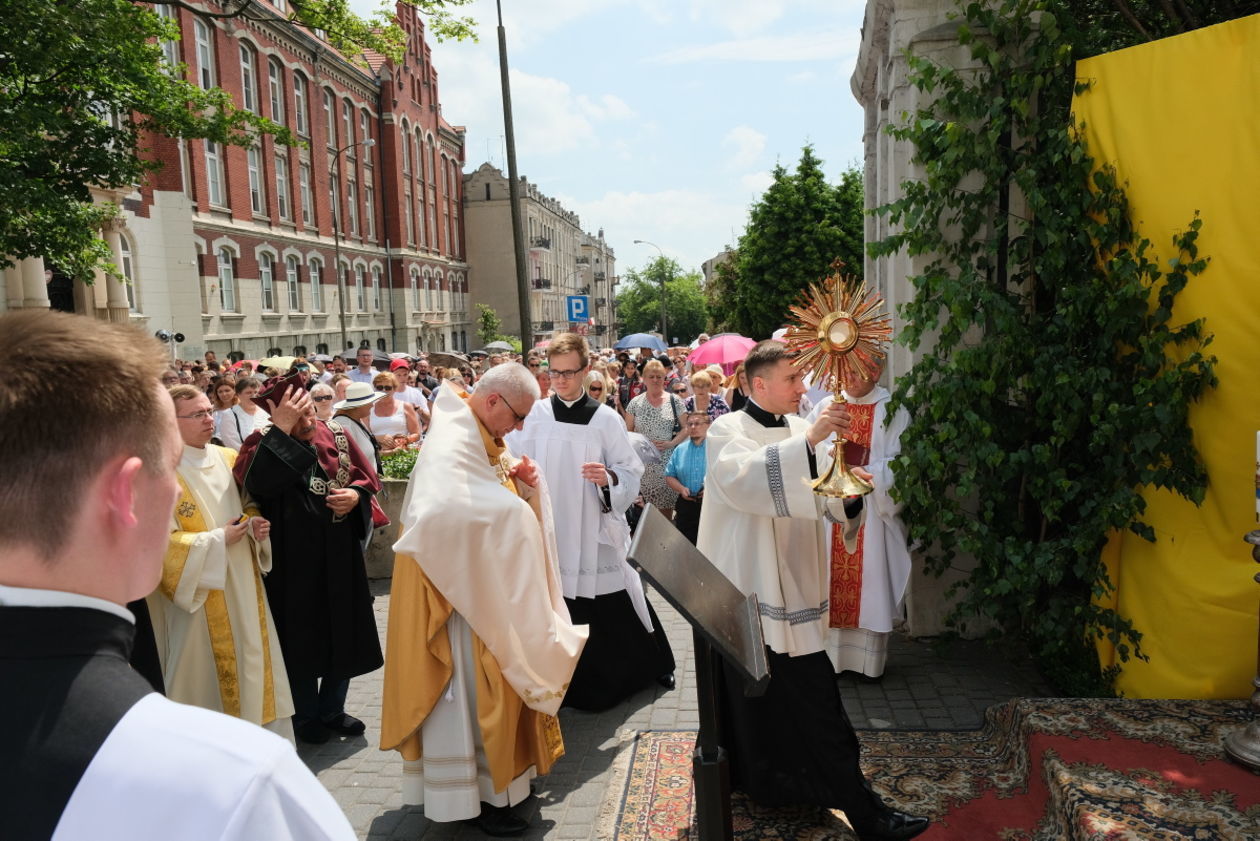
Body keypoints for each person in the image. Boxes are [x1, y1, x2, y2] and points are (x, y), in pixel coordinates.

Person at [0, 310, 355, 841]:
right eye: (163, 467)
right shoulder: (228, 783)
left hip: (241, 590)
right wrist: (217, 540)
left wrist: (253, 531)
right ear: (125, 494)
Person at [696, 341, 928, 841]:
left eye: (804, 380)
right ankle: (781, 788)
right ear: (758, 384)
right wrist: (809, 443)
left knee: (815, 702)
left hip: (795, 594)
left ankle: (855, 808)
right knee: (758, 701)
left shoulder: (803, 429)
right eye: (792, 380)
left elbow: (824, 499)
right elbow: (742, 483)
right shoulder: (726, 430)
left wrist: (850, 495)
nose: (804, 390)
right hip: (747, 593)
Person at [381, 363, 586, 836]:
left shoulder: (478, 429)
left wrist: (524, 480)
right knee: (476, 694)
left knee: (501, 687)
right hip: (456, 597)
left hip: (482, 585)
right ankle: (481, 797)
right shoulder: (453, 437)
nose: (516, 430)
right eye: (515, 419)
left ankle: (506, 787)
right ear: (492, 401)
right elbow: (441, 513)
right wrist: (514, 507)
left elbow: (489, 485)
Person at [507, 333, 675, 711]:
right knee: (559, 600)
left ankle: (648, 665)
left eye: (569, 372)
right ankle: (563, 684)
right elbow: (512, 458)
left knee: (612, 600)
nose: (560, 380)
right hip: (549, 524)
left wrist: (610, 479)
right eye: (554, 372)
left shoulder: (605, 419)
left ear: (585, 370)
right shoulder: (535, 414)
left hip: (589, 521)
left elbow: (630, 469)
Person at [234, 378, 384, 745]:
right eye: (296, 412)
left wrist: (355, 495)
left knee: (343, 630)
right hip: (291, 559)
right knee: (300, 635)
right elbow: (261, 484)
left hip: (339, 552)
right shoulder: (259, 445)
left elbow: (367, 480)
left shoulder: (338, 435)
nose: (307, 417)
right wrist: (282, 431)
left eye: (309, 409)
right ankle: (303, 714)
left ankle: (333, 708)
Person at [147, 385, 295, 739]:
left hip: (244, 583)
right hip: (199, 595)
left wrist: (256, 523)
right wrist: (216, 540)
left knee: (255, 664)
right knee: (205, 682)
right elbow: (156, 546)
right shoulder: (159, 472)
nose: (208, 420)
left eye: (209, 411)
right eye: (197, 414)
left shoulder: (228, 457)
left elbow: (247, 504)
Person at [806, 361, 912, 679]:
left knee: (870, 583)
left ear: (876, 373)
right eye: (845, 371)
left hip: (873, 514)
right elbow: (809, 448)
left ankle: (868, 667)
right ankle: (830, 662)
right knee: (829, 581)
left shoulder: (892, 409)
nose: (848, 378)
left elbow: (902, 462)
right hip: (834, 510)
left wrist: (869, 474)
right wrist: (834, 463)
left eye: (856, 371)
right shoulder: (827, 405)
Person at [625, 360, 689, 523]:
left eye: (659, 376)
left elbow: (686, 428)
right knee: (643, 516)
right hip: (643, 469)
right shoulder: (635, 403)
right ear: (644, 379)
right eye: (651, 376)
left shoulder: (675, 401)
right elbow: (627, 433)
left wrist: (671, 443)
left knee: (665, 520)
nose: (655, 380)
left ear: (664, 379)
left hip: (667, 467)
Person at [663, 412, 710, 545]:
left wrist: (710, 490)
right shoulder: (679, 449)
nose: (693, 427)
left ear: (708, 426)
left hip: (710, 506)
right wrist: (681, 488)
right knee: (686, 547)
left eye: (698, 423)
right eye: (690, 424)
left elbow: (725, 475)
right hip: (686, 507)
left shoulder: (716, 448)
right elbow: (669, 475)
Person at [370, 371, 421, 452]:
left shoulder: (406, 406)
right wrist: (378, 438)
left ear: (395, 389)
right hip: (375, 454)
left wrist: (403, 440)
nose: (383, 390)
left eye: (388, 388)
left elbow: (416, 434)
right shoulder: (369, 407)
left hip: (400, 454)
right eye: (379, 387)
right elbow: (363, 435)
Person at [217, 376, 267, 451]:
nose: (253, 396)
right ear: (238, 395)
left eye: (256, 392)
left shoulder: (265, 412)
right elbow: (231, 444)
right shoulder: (229, 415)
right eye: (248, 392)